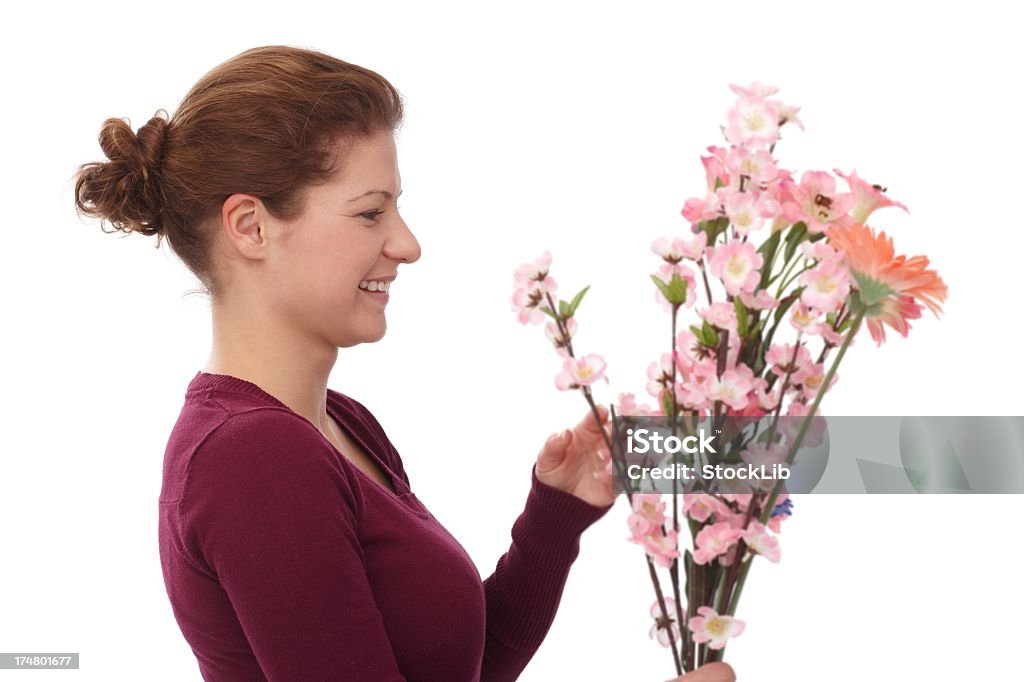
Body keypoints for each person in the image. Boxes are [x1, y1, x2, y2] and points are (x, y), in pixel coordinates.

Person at [72, 45, 739, 682]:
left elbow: (460, 672)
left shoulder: (338, 425)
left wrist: (555, 512)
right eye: (370, 213)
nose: (408, 244)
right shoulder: (254, 458)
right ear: (250, 227)